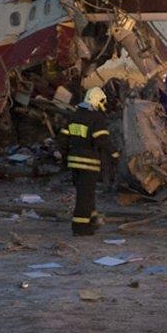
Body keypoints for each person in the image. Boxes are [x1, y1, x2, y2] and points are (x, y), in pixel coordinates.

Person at [60, 87, 118, 236]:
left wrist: (65, 156)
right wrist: (115, 155)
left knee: (86, 193)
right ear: (97, 101)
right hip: (89, 163)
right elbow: (102, 140)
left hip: (74, 163)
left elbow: (62, 139)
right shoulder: (96, 118)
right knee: (84, 197)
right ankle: (80, 228)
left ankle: (92, 220)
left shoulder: (74, 116)